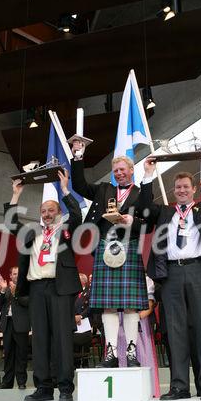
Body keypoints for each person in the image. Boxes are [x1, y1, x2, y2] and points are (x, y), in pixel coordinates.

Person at [137, 154, 201, 400]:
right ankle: (179, 385)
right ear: (174, 190)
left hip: (200, 270)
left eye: (185, 187)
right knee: (174, 329)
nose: (181, 190)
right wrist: (148, 175)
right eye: (178, 187)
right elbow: (143, 209)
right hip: (170, 273)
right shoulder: (163, 213)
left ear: (193, 190)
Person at [71, 138, 150, 368]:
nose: (118, 173)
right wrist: (78, 157)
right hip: (105, 246)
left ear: (131, 170)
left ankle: (132, 352)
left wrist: (131, 221)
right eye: (115, 170)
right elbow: (79, 185)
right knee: (107, 304)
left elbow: (148, 221)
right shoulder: (104, 189)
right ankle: (112, 353)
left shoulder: (139, 193)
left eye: (122, 169)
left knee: (131, 305)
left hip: (130, 247)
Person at [4, 170, 82, 401]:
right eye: (44, 211)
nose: (47, 215)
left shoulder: (66, 230)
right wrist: (16, 195)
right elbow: (10, 223)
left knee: (62, 338)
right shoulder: (32, 232)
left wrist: (65, 189)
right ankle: (43, 387)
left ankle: (65, 387)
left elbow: (77, 215)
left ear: (59, 212)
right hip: (36, 289)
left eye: (51, 211)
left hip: (60, 288)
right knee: (39, 339)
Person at [0, 267, 30, 390]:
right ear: (10, 276)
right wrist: (3, 291)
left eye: (18, 274)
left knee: (21, 355)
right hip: (7, 324)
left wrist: (15, 293)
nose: (16, 276)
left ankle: (21, 382)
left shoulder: (27, 286)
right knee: (8, 354)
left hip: (21, 325)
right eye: (14, 274)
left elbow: (28, 302)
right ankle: (7, 382)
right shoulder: (6, 287)